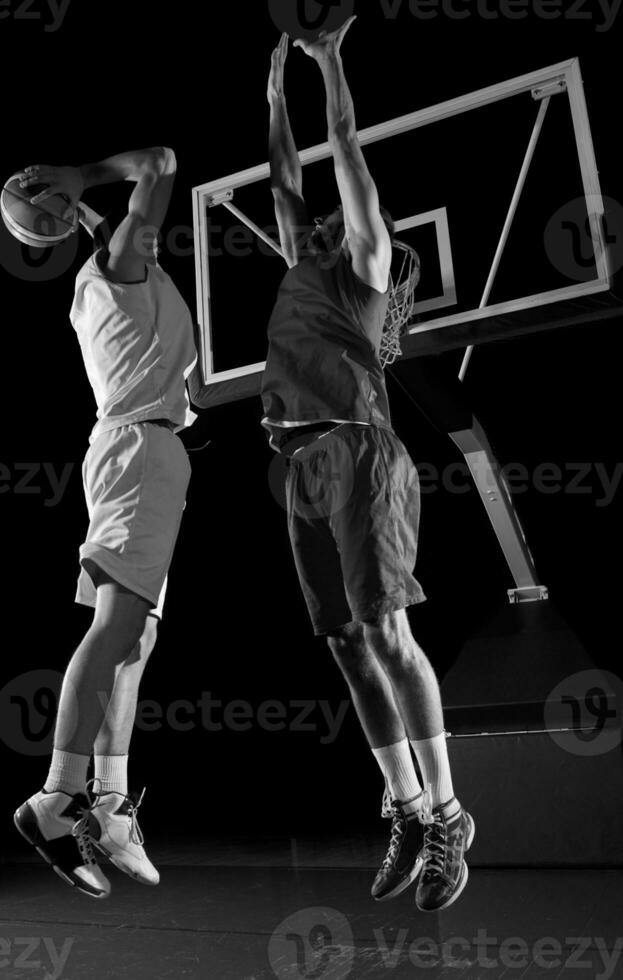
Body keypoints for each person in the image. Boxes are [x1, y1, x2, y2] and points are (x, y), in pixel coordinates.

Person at [262, 20, 474, 912]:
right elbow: (283, 176)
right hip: (295, 461)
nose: (311, 219)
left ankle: (450, 815)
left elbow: (341, 145)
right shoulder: (296, 263)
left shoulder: (366, 265)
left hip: (358, 450)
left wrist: (326, 62)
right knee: (347, 646)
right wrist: (271, 96)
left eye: (332, 218)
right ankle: (408, 806)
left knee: (387, 633)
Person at [13, 148, 197, 899]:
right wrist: (80, 179)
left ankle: (111, 806)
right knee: (118, 629)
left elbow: (117, 226)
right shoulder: (119, 266)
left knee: (134, 632)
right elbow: (159, 164)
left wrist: (77, 208)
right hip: (138, 453)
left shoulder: (108, 275)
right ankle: (55, 803)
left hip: (138, 451)